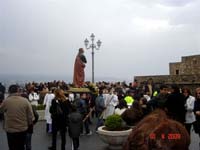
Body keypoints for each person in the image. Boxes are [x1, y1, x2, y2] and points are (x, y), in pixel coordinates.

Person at [0, 84, 34, 150]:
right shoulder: (25, 101)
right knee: (21, 146)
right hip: (22, 129)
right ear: (18, 91)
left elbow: (1, 111)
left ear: (9, 91)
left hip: (10, 129)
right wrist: (29, 125)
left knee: (12, 147)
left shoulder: (6, 101)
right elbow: (30, 116)